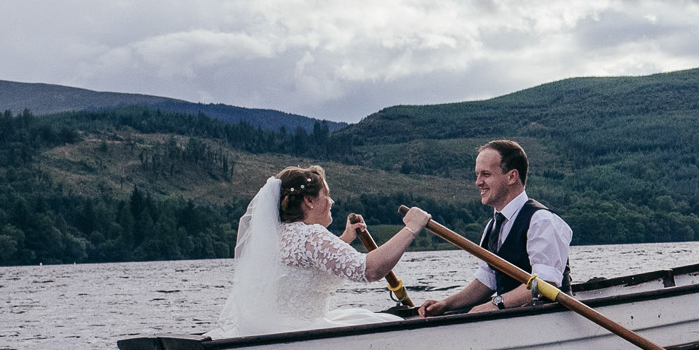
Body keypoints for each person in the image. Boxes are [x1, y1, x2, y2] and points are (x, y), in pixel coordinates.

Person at [215, 166, 432, 337]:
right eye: (325, 195)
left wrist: (346, 238)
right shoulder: (310, 235)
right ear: (309, 201)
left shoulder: (279, 235)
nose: (331, 202)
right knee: (393, 324)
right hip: (304, 332)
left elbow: (311, 264)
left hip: (277, 328)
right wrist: (411, 228)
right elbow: (371, 270)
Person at [417, 140, 574, 318]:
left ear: (512, 177)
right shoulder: (492, 226)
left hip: (548, 319)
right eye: (477, 175)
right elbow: (487, 281)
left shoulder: (541, 221)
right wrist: (446, 304)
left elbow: (545, 284)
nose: (478, 182)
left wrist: (495, 304)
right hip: (515, 320)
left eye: (486, 174)